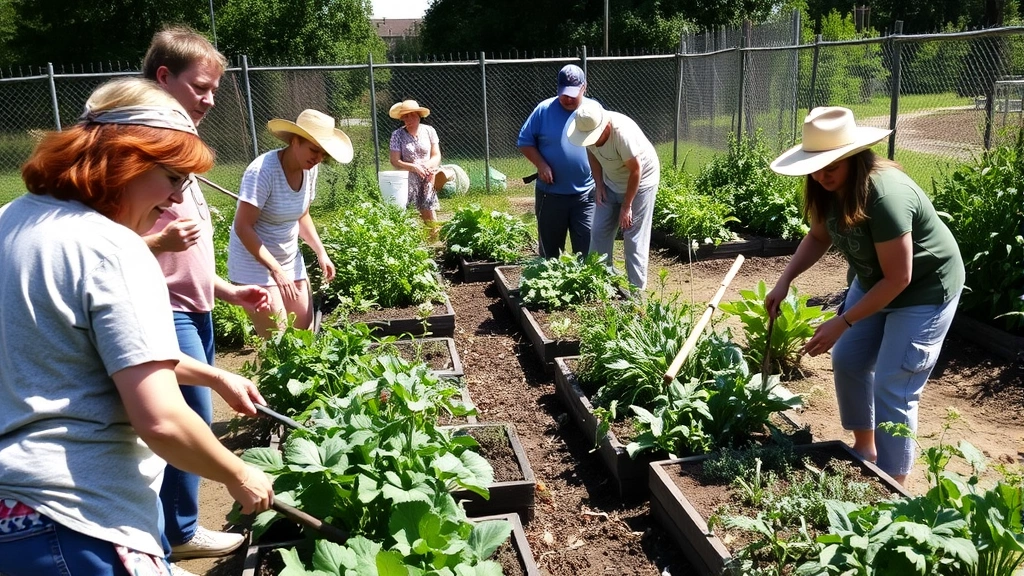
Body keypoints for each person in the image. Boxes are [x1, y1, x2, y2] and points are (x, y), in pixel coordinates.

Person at [0, 78, 274, 576]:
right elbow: (162, 420)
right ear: (129, 159)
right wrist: (238, 473)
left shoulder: (11, 222)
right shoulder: (112, 248)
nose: (174, 200)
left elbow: (79, 352)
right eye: (173, 179)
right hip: (81, 519)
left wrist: (216, 375)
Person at [765, 107, 964, 485]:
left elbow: (900, 278)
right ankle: (865, 446)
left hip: (923, 289)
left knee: (893, 381)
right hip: (875, 280)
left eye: (831, 166)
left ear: (853, 158)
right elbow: (818, 237)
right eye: (816, 167)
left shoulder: (885, 195)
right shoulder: (826, 189)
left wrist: (842, 320)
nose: (822, 175)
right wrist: (784, 280)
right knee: (850, 358)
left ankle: (893, 482)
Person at [141, 26, 273, 565]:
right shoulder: (138, 152)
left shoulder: (179, 150)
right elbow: (102, 247)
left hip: (196, 306)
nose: (210, 100)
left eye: (216, 89)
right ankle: (178, 529)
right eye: (200, 87)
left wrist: (230, 290)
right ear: (163, 77)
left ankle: (178, 524)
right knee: (185, 417)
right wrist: (159, 240)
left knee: (196, 412)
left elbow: (190, 257)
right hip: (161, 308)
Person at [227, 109, 351, 337]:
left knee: (304, 331)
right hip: (255, 262)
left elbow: (302, 215)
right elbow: (242, 227)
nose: (317, 158)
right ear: (295, 141)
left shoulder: (309, 169)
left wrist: (321, 252)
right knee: (278, 337)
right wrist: (275, 270)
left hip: (288, 258)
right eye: (314, 150)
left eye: (322, 153)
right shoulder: (262, 171)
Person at [567, 100, 659, 290]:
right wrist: (599, 184)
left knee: (633, 239)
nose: (590, 140)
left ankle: (636, 295)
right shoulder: (588, 129)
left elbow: (636, 171)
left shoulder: (622, 134)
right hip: (610, 182)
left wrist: (627, 206)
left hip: (641, 183)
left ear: (605, 126)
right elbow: (592, 154)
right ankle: (599, 284)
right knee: (599, 230)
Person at [518, 64, 595, 257]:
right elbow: (525, 142)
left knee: (588, 252)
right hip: (550, 195)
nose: (568, 99)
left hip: (586, 194)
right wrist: (541, 164)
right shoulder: (543, 110)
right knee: (550, 255)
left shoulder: (594, 111)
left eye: (573, 93)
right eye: (564, 93)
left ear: (584, 87)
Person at [388, 99, 446, 231]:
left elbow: (436, 155)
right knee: (405, 212)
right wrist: (414, 167)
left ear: (418, 116)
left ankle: (433, 236)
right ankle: (406, 238)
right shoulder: (397, 135)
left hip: (428, 174)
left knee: (428, 208)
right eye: (405, 116)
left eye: (411, 115)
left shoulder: (429, 131)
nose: (408, 119)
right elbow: (395, 161)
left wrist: (427, 166)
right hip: (407, 178)